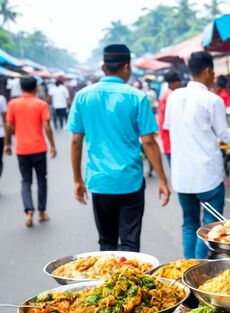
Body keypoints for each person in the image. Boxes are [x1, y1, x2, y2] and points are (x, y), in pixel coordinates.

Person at [68, 44, 170, 251]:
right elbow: (149, 142)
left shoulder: (83, 96)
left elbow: (76, 142)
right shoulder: (137, 97)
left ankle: (108, 272)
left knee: (106, 242)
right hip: (130, 180)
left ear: (103, 68)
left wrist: (77, 179)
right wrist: (162, 179)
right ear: (126, 67)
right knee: (130, 243)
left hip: (100, 180)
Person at [165, 52, 230, 259]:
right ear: (208, 71)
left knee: (189, 223)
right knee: (211, 226)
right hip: (207, 174)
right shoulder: (213, 100)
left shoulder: (174, 97)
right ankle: (198, 268)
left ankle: (188, 266)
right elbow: (224, 134)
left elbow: (169, 126)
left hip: (182, 175)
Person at [5, 76, 57, 227]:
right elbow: (47, 126)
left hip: (22, 149)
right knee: (42, 179)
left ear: (21, 88)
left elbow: (9, 125)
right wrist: (52, 145)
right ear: (35, 88)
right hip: (38, 148)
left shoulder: (13, 104)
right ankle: (41, 212)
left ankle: (29, 211)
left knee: (26, 180)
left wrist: (7, 143)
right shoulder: (41, 104)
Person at [158, 71, 183, 164]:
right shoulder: (171, 96)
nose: (180, 85)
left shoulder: (165, 94)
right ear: (173, 83)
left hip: (167, 134)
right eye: (179, 82)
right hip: (171, 135)